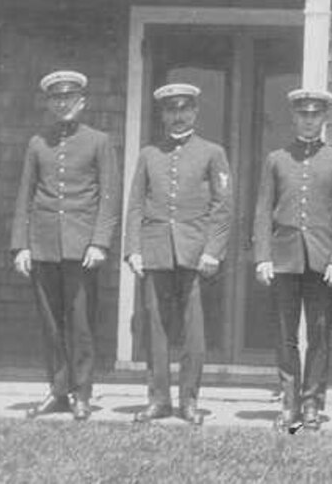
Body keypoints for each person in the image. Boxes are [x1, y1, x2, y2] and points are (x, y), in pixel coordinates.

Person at [12, 70, 120, 421]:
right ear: (49, 104)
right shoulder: (37, 143)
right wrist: (21, 246)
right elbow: (24, 197)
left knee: (81, 323)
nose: (63, 104)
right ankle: (58, 390)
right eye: (57, 99)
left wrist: (99, 242)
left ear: (82, 102)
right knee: (50, 322)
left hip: (81, 249)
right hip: (43, 246)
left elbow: (109, 197)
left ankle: (82, 393)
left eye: (69, 98)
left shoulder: (98, 141)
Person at [124, 83, 232, 425]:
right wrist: (133, 250)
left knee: (193, 332)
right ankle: (158, 399)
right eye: (171, 110)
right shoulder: (148, 154)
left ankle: (189, 401)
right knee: (155, 328)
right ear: (162, 114)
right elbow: (135, 205)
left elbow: (223, 207)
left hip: (194, 253)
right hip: (155, 251)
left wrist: (213, 251)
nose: (178, 116)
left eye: (184, 109)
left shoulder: (212, 152)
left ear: (195, 112)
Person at [253, 88, 332, 432]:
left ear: (324, 118)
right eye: (303, 114)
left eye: (315, 115)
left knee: (319, 333)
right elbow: (262, 211)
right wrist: (263, 256)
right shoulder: (277, 159)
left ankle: (311, 401)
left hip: (322, 262)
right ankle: (289, 402)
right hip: (284, 259)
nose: (309, 120)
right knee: (285, 334)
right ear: (294, 117)